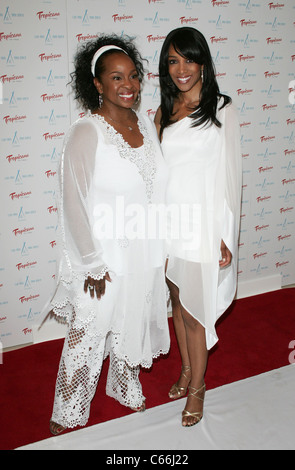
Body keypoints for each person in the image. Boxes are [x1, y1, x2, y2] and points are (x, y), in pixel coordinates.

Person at [48, 34, 170, 435]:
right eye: (116, 78)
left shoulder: (145, 123)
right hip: (104, 258)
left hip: (144, 250)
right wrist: (91, 262)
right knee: (88, 334)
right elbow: (73, 202)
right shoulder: (87, 131)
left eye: (133, 76)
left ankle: (123, 383)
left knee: (131, 321)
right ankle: (68, 412)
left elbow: (156, 187)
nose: (128, 85)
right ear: (97, 84)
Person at [155, 27, 242, 427]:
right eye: (173, 61)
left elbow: (230, 177)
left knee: (195, 314)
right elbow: (159, 177)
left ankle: (198, 388)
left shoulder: (222, 109)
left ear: (203, 61)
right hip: (169, 224)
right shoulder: (162, 113)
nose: (181, 69)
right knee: (177, 301)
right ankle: (188, 368)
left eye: (188, 59)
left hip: (203, 225)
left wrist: (225, 235)